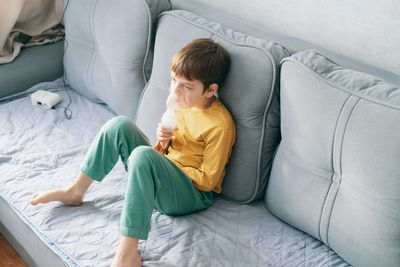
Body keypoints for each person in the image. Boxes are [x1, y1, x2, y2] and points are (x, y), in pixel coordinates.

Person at [29, 38, 235, 267]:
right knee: (119, 125)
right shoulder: (180, 104)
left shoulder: (220, 125)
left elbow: (208, 181)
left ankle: (128, 252)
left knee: (142, 155)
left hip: (191, 196)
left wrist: (163, 164)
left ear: (211, 90)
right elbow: (163, 153)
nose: (175, 90)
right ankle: (75, 191)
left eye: (186, 86)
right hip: (163, 180)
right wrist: (163, 142)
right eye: (173, 80)